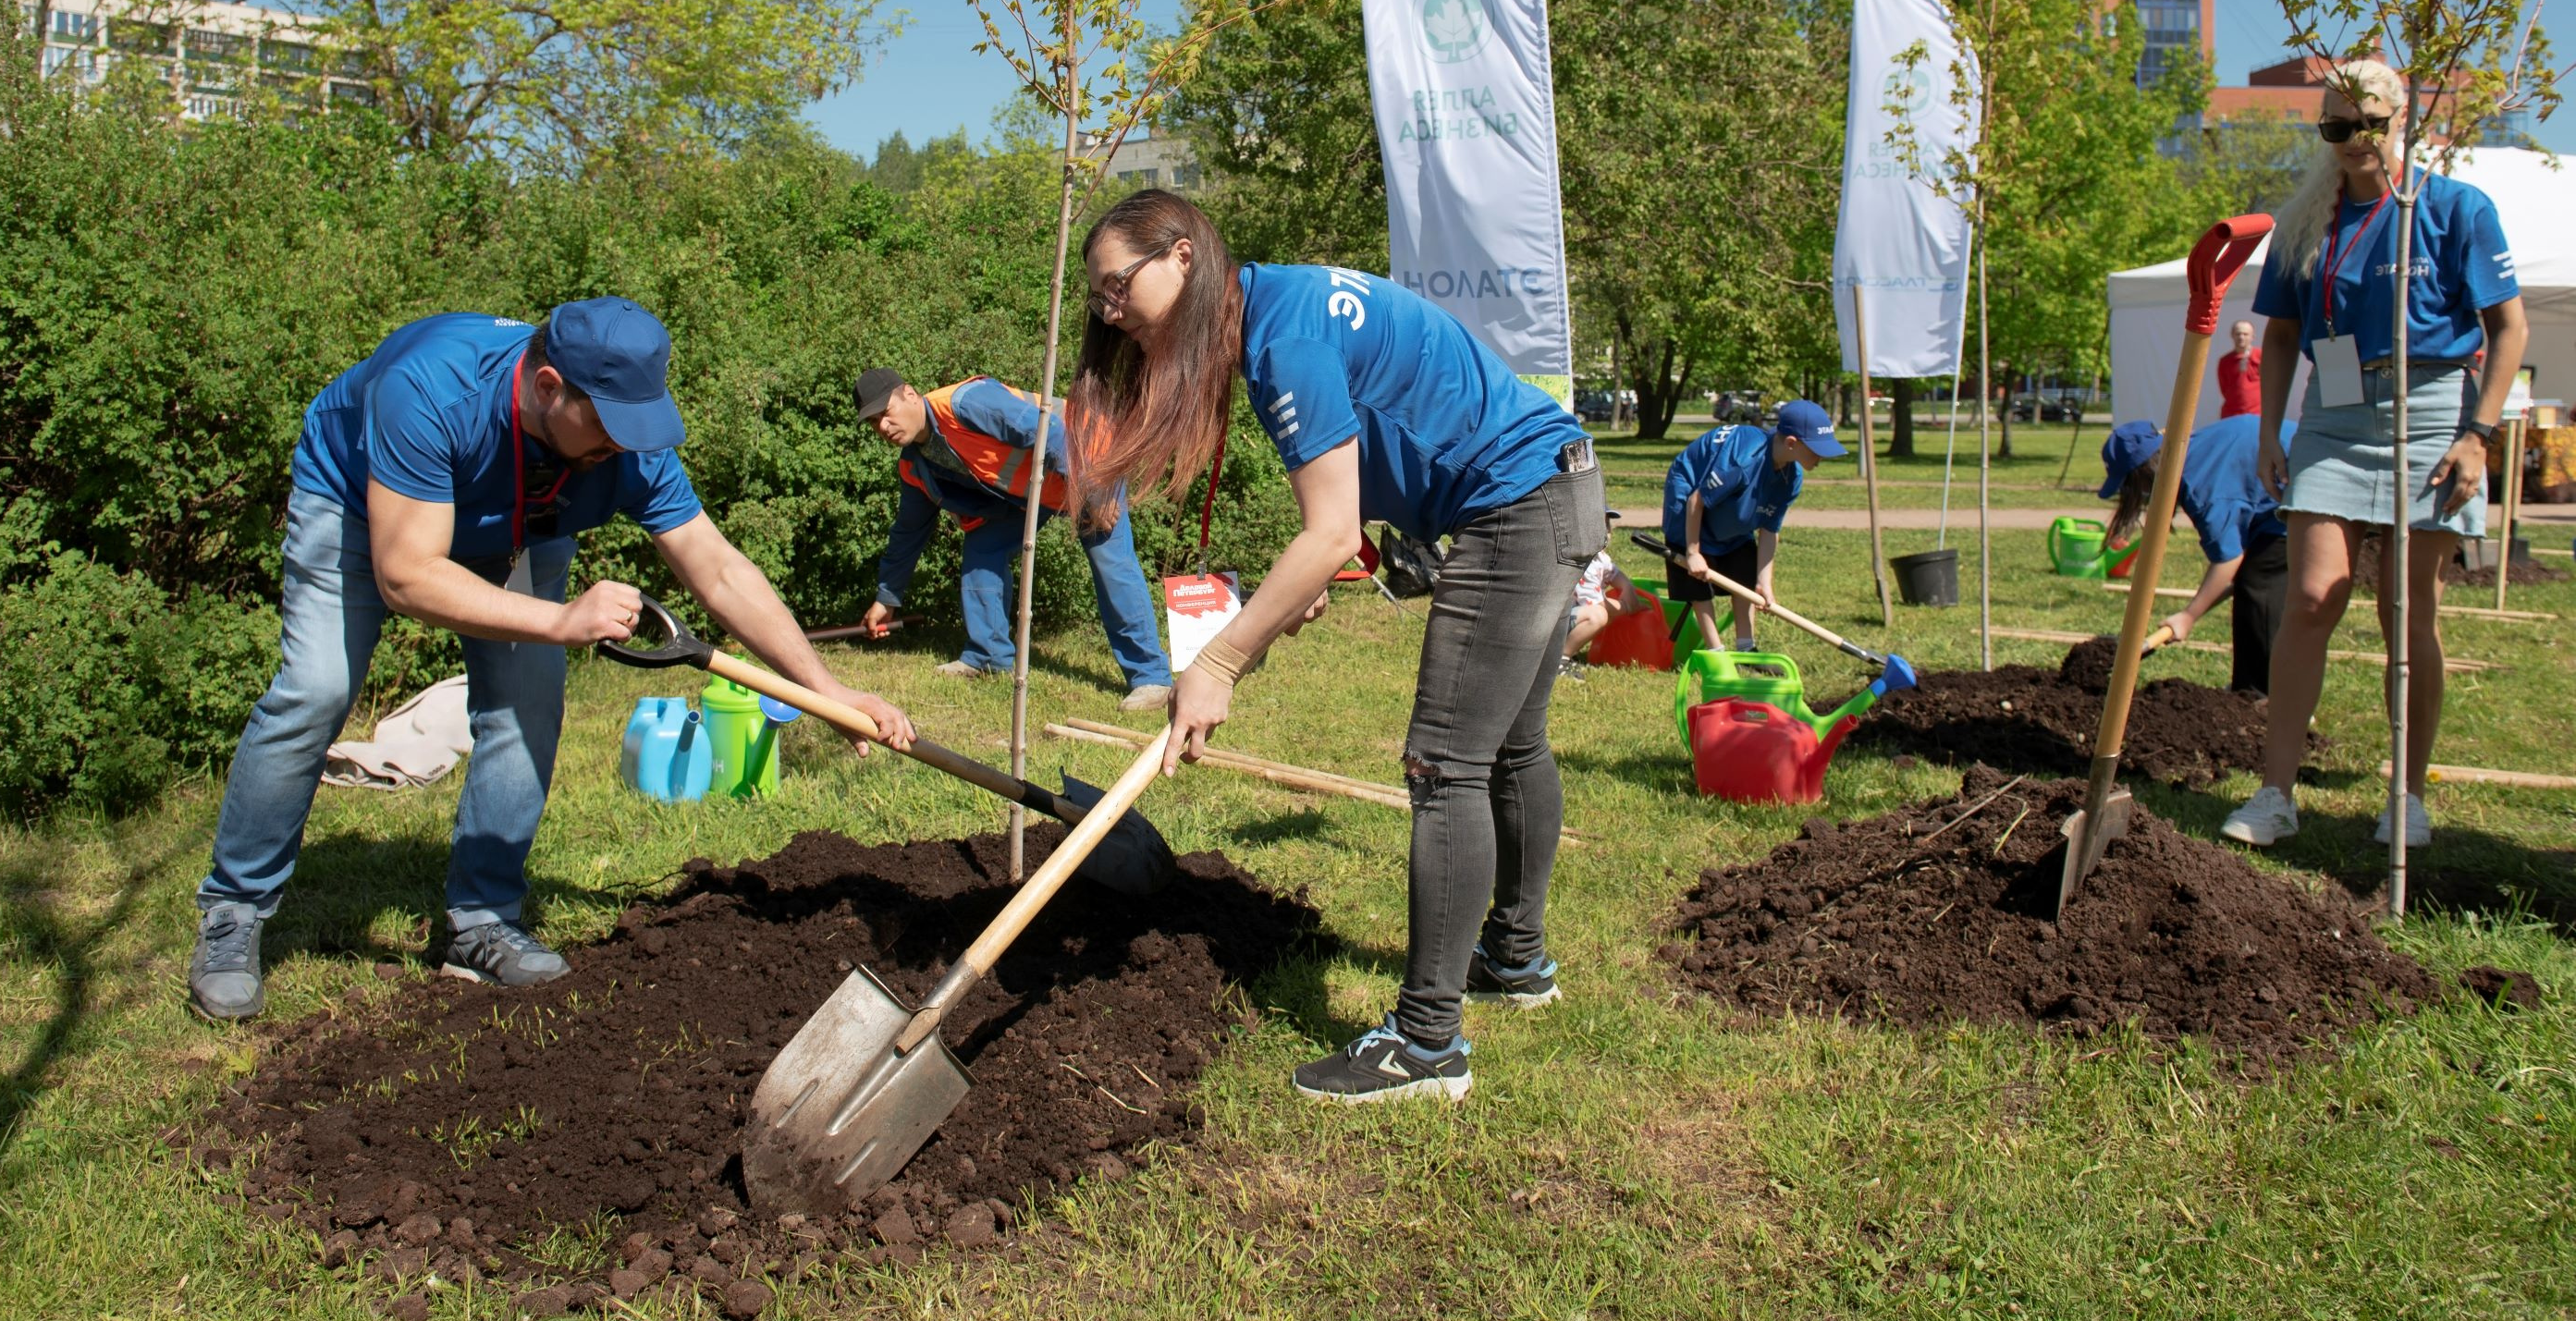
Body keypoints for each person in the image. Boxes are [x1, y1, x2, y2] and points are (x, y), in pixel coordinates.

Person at [189, 300, 916, 1022]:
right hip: (362, 506)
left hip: (522, 519)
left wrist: (825, 686)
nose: (624, 445)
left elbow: (717, 568)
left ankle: (481, 920)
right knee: (316, 691)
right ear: (547, 389)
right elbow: (406, 574)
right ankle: (234, 912)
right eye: (606, 424)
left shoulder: (624, 438)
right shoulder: (431, 392)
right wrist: (561, 620)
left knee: (526, 703)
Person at [1068, 191, 1606, 1105]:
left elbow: (1325, 534)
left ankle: (1427, 1045)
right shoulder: (1280, 309)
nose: (1111, 315)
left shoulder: (1284, 336)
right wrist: (1292, 597)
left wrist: (1220, 662)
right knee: (1510, 747)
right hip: (1550, 489)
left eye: (1119, 287)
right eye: (1099, 301)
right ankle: (1515, 961)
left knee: (1445, 764)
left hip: (1513, 511)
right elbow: (1342, 524)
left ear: (1185, 257)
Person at [2220, 60, 2527, 850]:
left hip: (2433, 413)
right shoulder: (2304, 224)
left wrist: (2477, 435)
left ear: (2402, 122)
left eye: (2367, 124)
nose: (2352, 140)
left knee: (2406, 608)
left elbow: (2507, 329)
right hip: (2335, 412)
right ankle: (2274, 792)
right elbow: (2283, 337)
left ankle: (2406, 795)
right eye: (2334, 127)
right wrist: (2267, 433)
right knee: (2313, 595)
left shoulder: (2455, 208)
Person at [853, 368, 1171, 711]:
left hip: (1089, 458)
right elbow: (907, 534)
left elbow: (1050, 432)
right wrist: (887, 599)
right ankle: (988, 655)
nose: (883, 428)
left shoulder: (965, 403)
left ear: (910, 395)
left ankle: (1151, 678)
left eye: (885, 414)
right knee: (983, 547)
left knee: (1111, 563)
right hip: (1038, 491)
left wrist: (1096, 489)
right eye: (874, 423)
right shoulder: (914, 465)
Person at [2098, 412, 2297, 698]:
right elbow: (2232, 568)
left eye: (2135, 488)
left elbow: (2229, 559)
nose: (2139, 496)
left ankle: (2268, 698)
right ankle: (2251, 688)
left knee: (2260, 585)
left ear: (2146, 474)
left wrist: (2189, 616)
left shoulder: (2203, 488)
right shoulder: (2189, 456)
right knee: (2250, 583)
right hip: (2273, 493)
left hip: (2299, 489)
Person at [1661, 403, 1844, 654]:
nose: (1821, 458)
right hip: (1689, 496)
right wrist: (1693, 552)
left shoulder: (1792, 480)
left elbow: (1769, 530)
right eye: (1816, 450)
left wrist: (1764, 583)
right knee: (1696, 579)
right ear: (1791, 443)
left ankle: (1746, 649)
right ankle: (1716, 653)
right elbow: (1697, 500)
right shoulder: (1743, 459)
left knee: (1744, 566)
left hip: (1730, 510)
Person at [1560, 546, 1641, 676]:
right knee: (1598, 616)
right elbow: (1595, 603)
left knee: (1605, 614)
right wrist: (1627, 607)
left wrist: (1627, 587)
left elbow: (1613, 573)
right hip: (1556, 622)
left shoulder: (1598, 556)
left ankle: (1569, 652)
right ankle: (1560, 660)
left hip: (1570, 617)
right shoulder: (1581, 562)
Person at [2218, 319, 2263, 420]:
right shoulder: (2225, 361)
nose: (2241, 337)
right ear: (2232, 335)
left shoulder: (2261, 356)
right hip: (2232, 415)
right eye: (2238, 334)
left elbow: (2270, 384)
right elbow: (2224, 388)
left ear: (2252, 336)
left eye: (2245, 334)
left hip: (2258, 415)